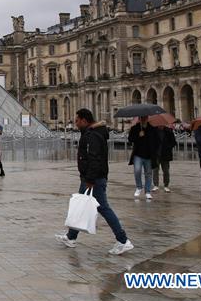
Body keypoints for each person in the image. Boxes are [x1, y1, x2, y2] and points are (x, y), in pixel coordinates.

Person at [56, 108, 134, 255]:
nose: (76, 123)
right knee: (79, 206)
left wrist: (90, 179)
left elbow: (94, 158)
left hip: (94, 178)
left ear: (84, 120)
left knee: (103, 208)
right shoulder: (92, 133)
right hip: (89, 177)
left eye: (77, 120)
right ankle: (71, 237)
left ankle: (123, 241)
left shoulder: (93, 135)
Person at [127, 116, 159, 199]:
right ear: (139, 119)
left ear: (147, 118)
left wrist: (155, 150)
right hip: (138, 154)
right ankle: (139, 187)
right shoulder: (135, 128)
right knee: (137, 170)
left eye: (145, 118)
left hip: (149, 155)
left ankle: (148, 191)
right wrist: (138, 135)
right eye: (142, 118)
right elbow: (130, 139)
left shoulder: (152, 128)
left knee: (148, 173)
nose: (143, 119)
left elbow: (157, 141)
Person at [151, 126, 176, 192]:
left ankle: (166, 185)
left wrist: (168, 147)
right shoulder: (154, 131)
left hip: (165, 154)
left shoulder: (169, 131)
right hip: (156, 154)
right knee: (155, 170)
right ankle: (156, 185)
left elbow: (173, 142)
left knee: (166, 171)